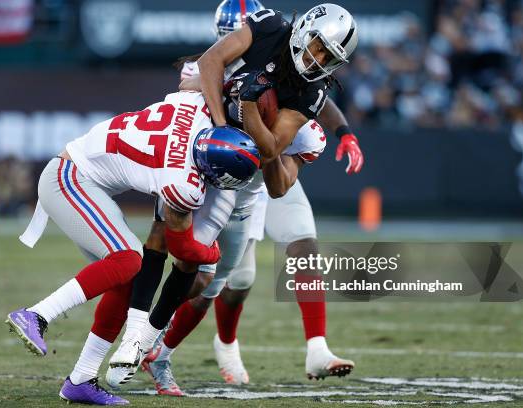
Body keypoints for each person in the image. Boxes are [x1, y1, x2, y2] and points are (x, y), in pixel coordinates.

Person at [106, 2, 362, 394]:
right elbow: (202, 76)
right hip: (206, 162)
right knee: (175, 253)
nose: (318, 60)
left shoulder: (310, 96)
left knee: (219, 279)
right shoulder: (257, 35)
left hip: (247, 189)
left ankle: (160, 349)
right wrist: (224, 126)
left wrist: (254, 115)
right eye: (319, 47)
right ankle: (133, 331)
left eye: (329, 56)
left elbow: (277, 171)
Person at [6, 90, 259, 405]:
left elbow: (196, 78)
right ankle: (36, 315)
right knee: (129, 260)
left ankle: (80, 380)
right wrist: (213, 255)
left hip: (81, 176)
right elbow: (183, 249)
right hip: (70, 177)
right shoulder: (183, 183)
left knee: (125, 279)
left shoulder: (194, 105)